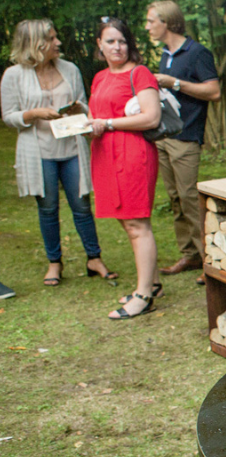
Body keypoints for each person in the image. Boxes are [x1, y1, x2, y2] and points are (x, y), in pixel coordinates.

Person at [2, 19, 117, 286]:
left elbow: (84, 105)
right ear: (36, 44)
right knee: (48, 208)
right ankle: (55, 263)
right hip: (38, 150)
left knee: (82, 205)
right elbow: (9, 117)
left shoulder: (69, 68)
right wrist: (33, 113)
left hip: (71, 147)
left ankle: (94, 258)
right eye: (52, 39)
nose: (58, 43)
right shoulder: (14, 75)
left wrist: (78, 110)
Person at [87, 17, 162, 320]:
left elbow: (151, 117)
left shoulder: (139, 73)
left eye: (122, 41)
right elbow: (97, 115)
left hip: (133, 154)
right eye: (110, 41)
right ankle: (154, 283)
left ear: (130, 43)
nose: (117, 47)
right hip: (104, 154)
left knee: (136, 225)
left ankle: (143, 295)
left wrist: (106, 123)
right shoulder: (99, 77)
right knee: (125, 221)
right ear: (99, 45)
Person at [144, 0, 220, 286]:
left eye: (152, 21)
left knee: (190, 200)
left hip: (187, 137)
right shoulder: (166, 53)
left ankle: (209, 261)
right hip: (165, 136)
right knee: (175, 198)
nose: (148, 26)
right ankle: (188, 255)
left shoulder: (197, 52)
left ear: (168, 22)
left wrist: (173, 82)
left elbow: (213, 92)